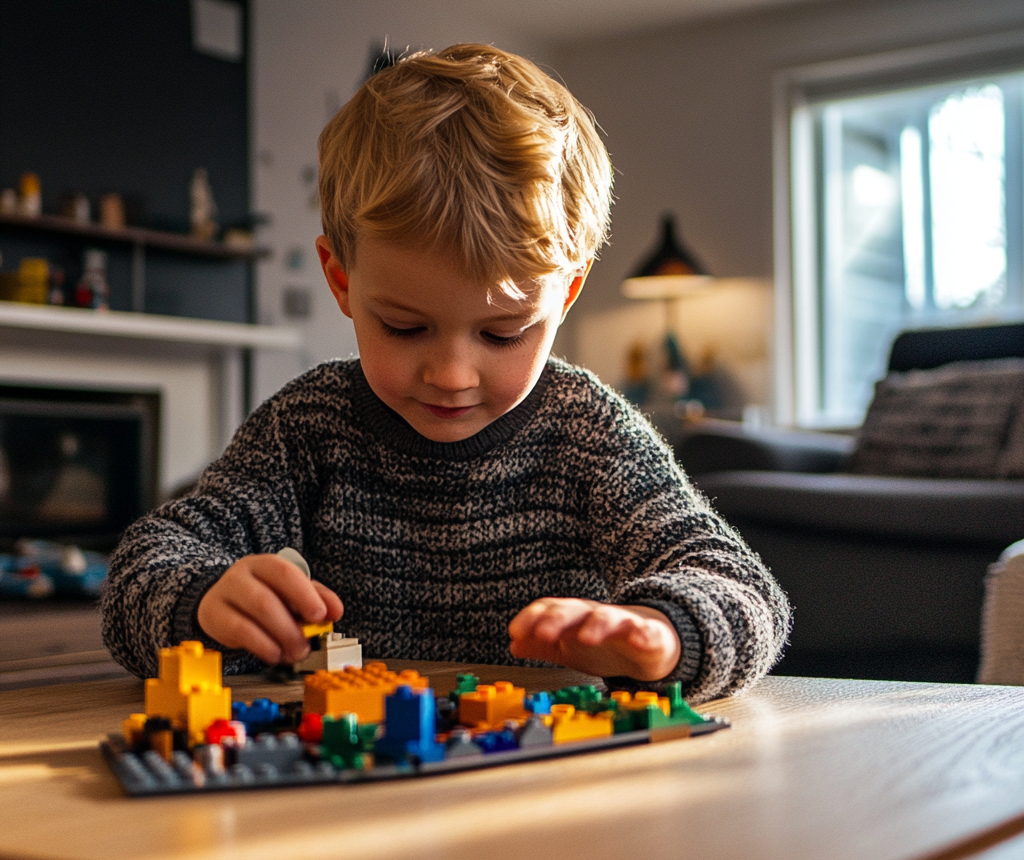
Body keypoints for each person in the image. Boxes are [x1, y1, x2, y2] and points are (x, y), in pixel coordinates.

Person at [102, 43, 789, 701]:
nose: (454, 375)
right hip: (357, 776)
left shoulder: (590, 433)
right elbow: (146, 563)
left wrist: (666, 633)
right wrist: (204, 602)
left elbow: (745, 592)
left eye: (503, 332)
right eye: (405, 327)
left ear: (567, 294)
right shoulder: (308, 425)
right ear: (341, 280)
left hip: (549, 779)